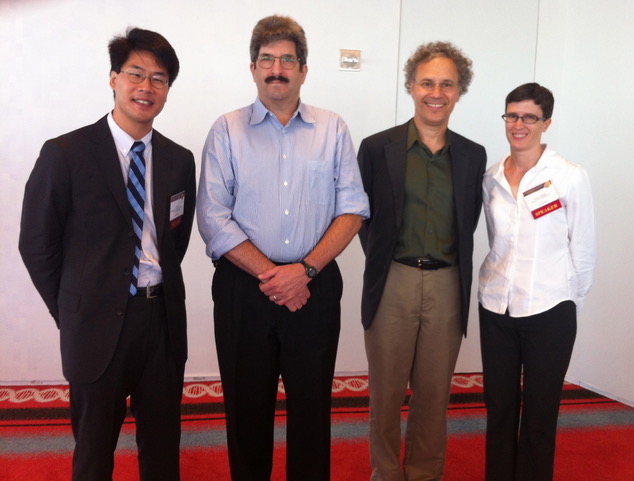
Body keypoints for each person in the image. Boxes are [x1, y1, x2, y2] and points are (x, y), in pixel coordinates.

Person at [196, 14, 370, 481]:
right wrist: (272, 276)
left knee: (312, 408)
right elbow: (213, 216)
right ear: (252, 68)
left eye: (287, 59)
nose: (277, 68)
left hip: (313, 286)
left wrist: (304, 271)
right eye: (267, 59)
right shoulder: (226, 130)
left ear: (304, 70)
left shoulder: (332, 128)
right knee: (246, 405)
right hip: (242, 289)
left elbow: (352, 209)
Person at [19, 28, 196, 481]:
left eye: (159, 79)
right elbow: (37, 243)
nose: (146, 87)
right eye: (136, 74)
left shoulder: (179, 160)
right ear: (113, 79)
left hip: (161, 322)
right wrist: (71, 308)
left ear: (167, 91)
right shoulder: (66, 153)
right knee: (94, 450)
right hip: (94, 324)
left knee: (162, 446)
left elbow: (175, 239)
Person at [357, 41, 487, 481]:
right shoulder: (377, 148)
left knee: (434, 397)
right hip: (393, 281)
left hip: (448, 286)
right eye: (427, 82)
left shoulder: (473, 155)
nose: (437, 92)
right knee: (386, 396)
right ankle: (386, 474)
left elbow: (467, 221)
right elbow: (362, 219)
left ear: (459, 91)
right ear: (411, 86)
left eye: (447, 84)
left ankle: (426, 475)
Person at [478, 83, 596, 481]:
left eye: (529, 117)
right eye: (512, 115)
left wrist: (568, 304)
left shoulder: (569, 176)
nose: (518, 124)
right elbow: (497, 243)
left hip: (550, 310)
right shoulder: (491, 176)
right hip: (496, 306)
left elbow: (583, 251)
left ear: (546, 122)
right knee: (499, 408)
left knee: (540, 414)